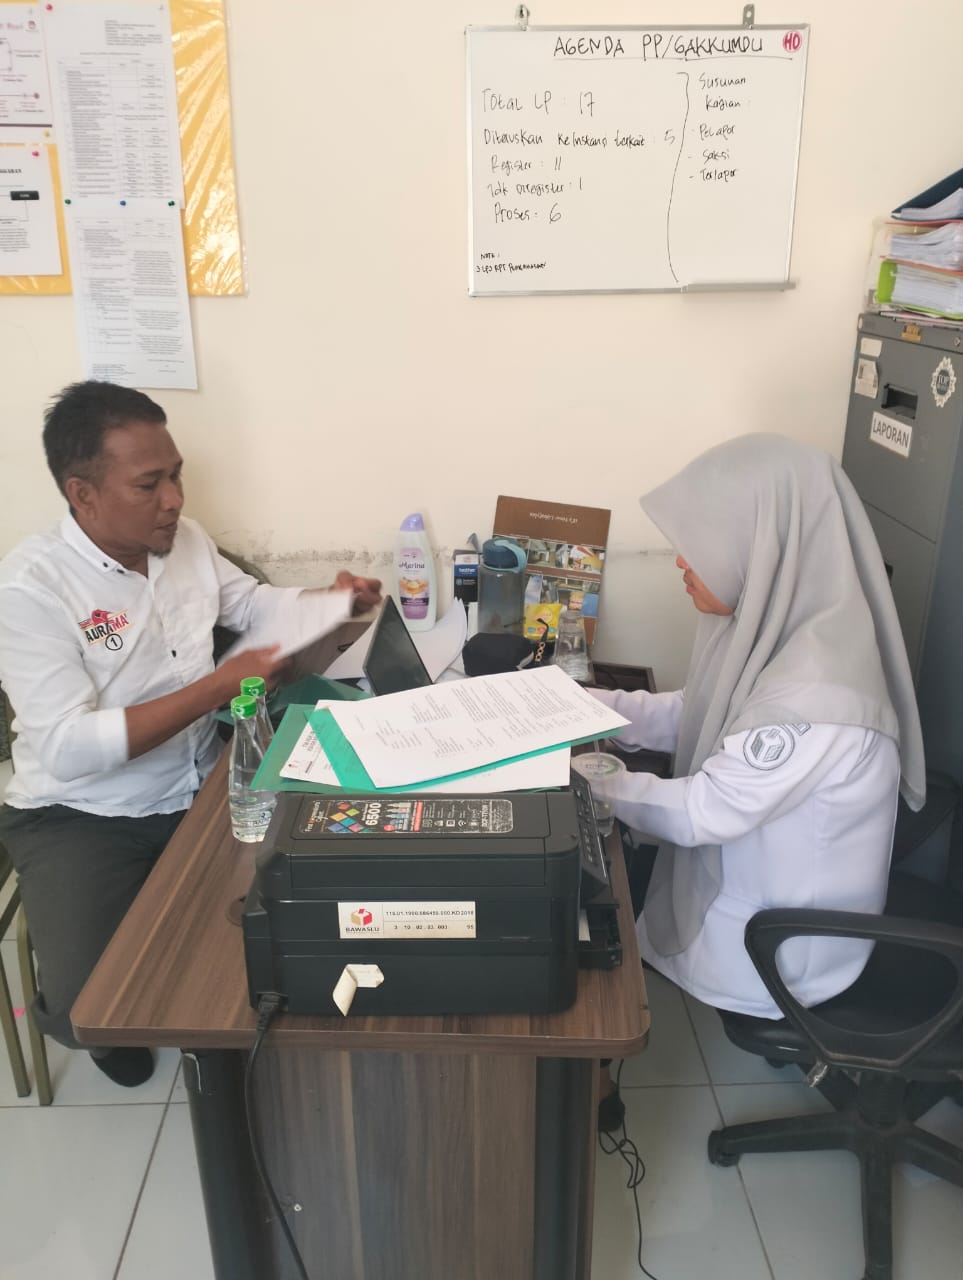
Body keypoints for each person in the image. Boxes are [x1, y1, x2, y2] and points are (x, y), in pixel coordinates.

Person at [0, 381, 381, 1086]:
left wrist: (328, 603)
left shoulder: (186, 541)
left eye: (176, 476)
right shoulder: (30, 589)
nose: (174, 499)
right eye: (150, 484)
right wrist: (217, 686)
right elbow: (66, 748)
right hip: (83, 814)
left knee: (268, 929)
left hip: (201, 774)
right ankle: (106, 1031)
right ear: (83, 494)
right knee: (92, 1010)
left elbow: (254, 605)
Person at [590, 432, 925, 1028]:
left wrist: (586, 783)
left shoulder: (817, 696)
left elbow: (705, 810)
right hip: (750, 883)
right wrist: (584, 709)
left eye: (699, 543)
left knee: (587, 925)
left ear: (761, 546)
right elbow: (698, 711)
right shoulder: (778, 626)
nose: (682, 562)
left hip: (783, 949)